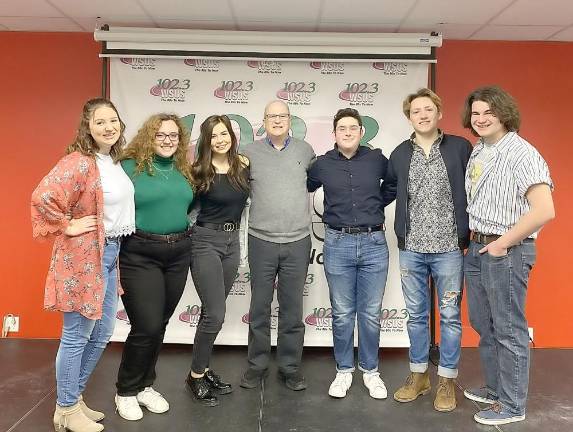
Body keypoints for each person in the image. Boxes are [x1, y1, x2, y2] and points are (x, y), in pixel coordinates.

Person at [31, 98, 135, 432]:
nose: (109, 127)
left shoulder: (111, 161)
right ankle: (66, 406)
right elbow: (42, 196)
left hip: (109, 254)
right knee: (76, 335)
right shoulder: (79, 161)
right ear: (87, 127)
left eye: (113, 121)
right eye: (100, 122)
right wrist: (67, 225)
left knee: (102, 331)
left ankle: (72, 401)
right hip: (83, 257)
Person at [462, 86, 554, 426]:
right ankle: (496, 389)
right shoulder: (480, 148)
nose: (482, 118)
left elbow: (544, 209)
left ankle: (513, 405)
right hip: (478, 246)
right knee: (483, 323)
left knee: (509, 328)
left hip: (506, 250)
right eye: (476, 113)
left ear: (505, 113)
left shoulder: (521, 152)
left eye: (489, 112)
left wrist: (502, 243)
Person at [384, 88, 472, 412]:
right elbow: (388, 191)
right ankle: (419, 376)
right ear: (409, 117)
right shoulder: (398, 154)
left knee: (449, 316)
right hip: (412, 249)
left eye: (428, 109)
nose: (422, 115)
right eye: (416, 111)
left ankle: (446, 380)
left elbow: (475, 187)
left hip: (449, 247)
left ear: (439, 113)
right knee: (417, 317)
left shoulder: (461, 148)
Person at [114, 113, 194, 421]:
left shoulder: (183, 168)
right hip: (140, 253)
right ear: (149, 136)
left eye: (173, 135)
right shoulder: (129, 167)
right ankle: (125, 390)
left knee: (159, 323)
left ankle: (145, 386)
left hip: (178, 252)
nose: (167, 140)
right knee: (145, 325)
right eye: (161, 134)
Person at [308, 108, 390, 400]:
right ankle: (344, 370)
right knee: (342, 314)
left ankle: (371, 372)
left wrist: (375, 204)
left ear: (361, 131)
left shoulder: (377, 160)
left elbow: (392, 184)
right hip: (338, 243)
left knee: (369, 314)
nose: (347, 132)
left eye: (352, 127)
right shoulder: (322, 164)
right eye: (341, 128)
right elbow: (305, 186)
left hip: (373, 243)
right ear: (334, 133)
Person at [240, 100, 315, 391]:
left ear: (290, 119)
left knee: (292, 310)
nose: (277, 120)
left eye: (282, 116)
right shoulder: (249, 153)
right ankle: (257, 365)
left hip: (298, 241)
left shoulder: (305, 151)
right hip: (261, 241)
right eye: (271, 116)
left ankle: (289, 367)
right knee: (259, 307)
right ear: (263, 121)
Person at [185, 115, 250, 406]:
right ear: (206, 141)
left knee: (211, 313)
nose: (220, 139)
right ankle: (195, 376)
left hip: (232, 242)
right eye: (214, 136)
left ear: (232, 137)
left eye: (224, 134)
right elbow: (185, 210)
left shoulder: (243, 166)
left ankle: (203, 368)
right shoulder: (198, 170)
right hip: (205, 242)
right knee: (215, 313)